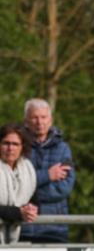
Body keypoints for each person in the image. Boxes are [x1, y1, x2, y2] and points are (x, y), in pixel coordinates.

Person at [19, 99, 75, 243]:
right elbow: (15, 183)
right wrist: (48, 176)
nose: (39, 122)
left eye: (43, 117)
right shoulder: (16, 147)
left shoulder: (63, 149)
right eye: (34, 117)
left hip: (54, 228)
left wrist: (28, 194)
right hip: (22, 227)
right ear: (26, 121)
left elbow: (64, 188)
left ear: (50, 120)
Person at [0, 123, 38, 244]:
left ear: (22, 147)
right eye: (6, 143)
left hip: (17, 236)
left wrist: (31, 209)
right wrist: (18, 213)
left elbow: (34, 199)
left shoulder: (27, 169)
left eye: (15, 144)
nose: (10, 148)